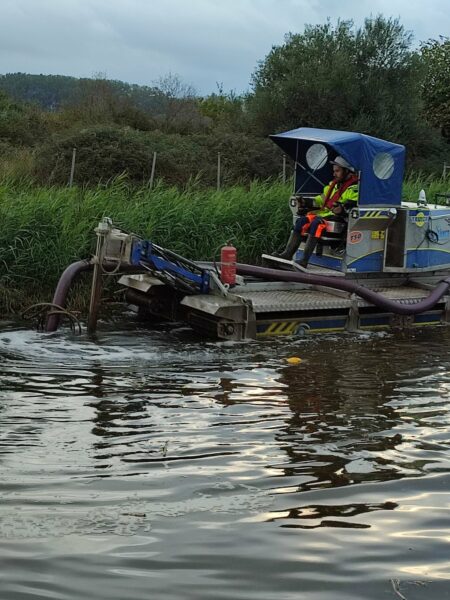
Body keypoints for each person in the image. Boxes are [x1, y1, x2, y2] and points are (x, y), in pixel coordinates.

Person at [275, 156, 359, 268]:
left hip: (340, 222)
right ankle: (287, 255)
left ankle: (304, 260)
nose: (334, 174)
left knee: (317, 223)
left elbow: (353, 205)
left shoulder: (354, 188)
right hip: (325, 216)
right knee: (301, 221)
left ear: (347, 171)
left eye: (337, 171)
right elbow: (320, 200)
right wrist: (305, 201)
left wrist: (342, 209)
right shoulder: (333, 186)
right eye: (334, 171)